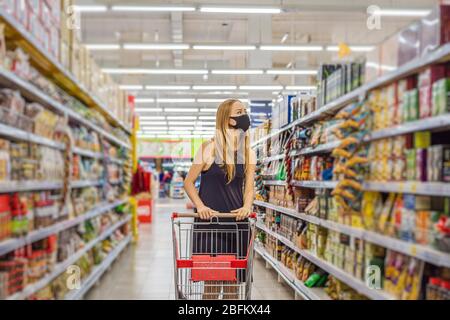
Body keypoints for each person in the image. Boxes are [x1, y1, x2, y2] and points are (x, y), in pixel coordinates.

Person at [184, 99, 256, 299]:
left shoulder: (248, 152)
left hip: (236, 223)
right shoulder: (208, 148)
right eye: (240, 112)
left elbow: (249, 188)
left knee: (233, 286)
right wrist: (200, 206)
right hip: (211, 223)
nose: (245, 116)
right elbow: (189, 182)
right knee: (213, 284)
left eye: (245, 111)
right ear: (229, 119)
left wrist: (247, 206)